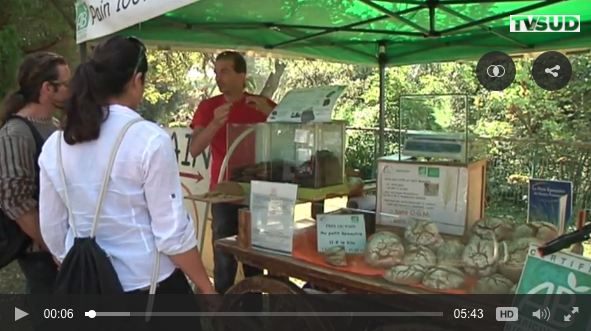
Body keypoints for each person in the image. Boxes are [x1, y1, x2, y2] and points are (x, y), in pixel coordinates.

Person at [38, 36, 215, 329]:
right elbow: (171, 234)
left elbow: (52, 229)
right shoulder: (148, 139)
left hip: (87, 291)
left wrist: (77, 264)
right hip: (149, 290)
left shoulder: (56, 145)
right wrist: (205, 286)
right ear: (137, 79)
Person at [189, 51, 276, 297]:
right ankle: (224, 315)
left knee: (255, 260)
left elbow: (288, 139)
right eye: (216, 72)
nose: (219, 78)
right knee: (224, 262)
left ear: (242, 75)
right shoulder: (209, 107)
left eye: (225, 71)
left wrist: (271, 115)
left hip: (257, 193)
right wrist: (215, 124)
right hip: (224, 194)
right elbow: (195, 149)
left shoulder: (261, 104)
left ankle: (254, 314)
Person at [0, 51, 69, 330]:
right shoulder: (16, 133)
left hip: (57, 246)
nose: (71, 90)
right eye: (66, 84)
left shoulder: (52, 127)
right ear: (47, 89)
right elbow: (15, 201)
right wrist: (52, 246)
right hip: (39, 250)